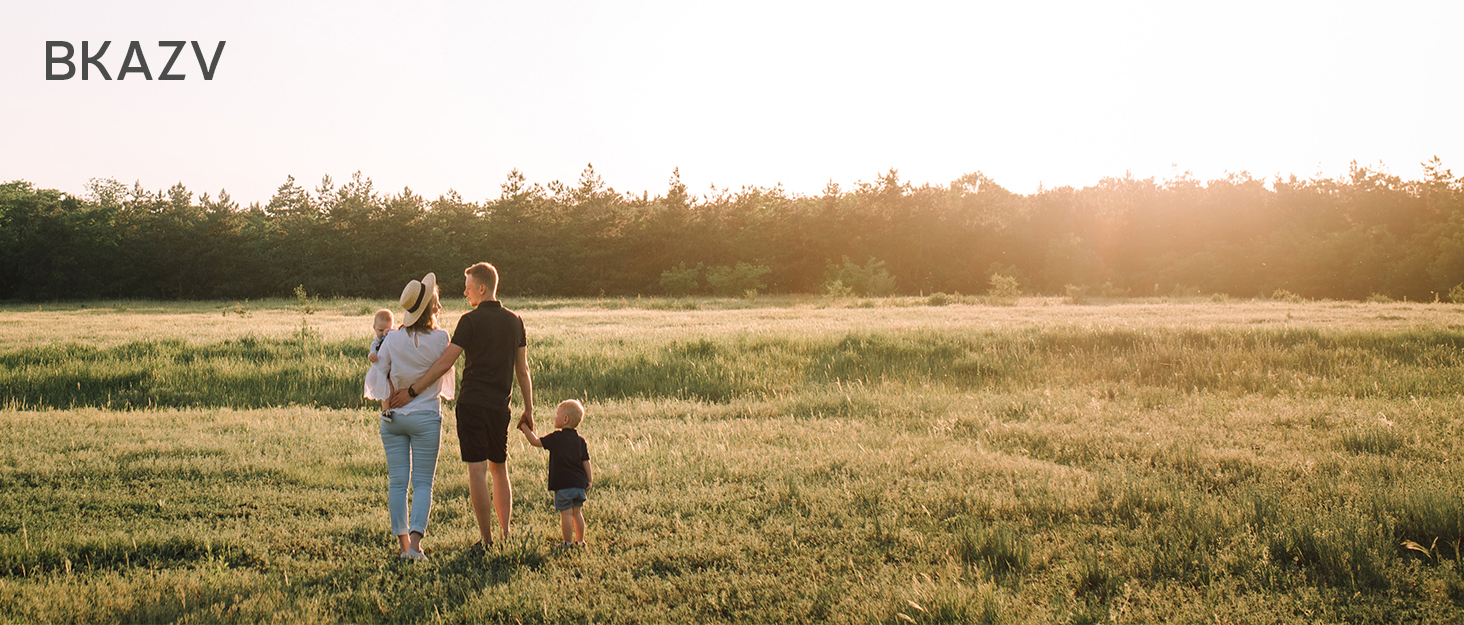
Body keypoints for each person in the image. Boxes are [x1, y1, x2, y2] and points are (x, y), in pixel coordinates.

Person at [390, 262, 532, 550]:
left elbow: (445, 362)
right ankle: (506, 536)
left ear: (482, 288)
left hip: (471, 405)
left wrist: (413, 390)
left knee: (477, 470)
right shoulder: (516, 321)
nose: (465, 293)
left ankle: (487, 540)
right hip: (499, 406)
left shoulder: (469, 321)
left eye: (468, 288)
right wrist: (528, 408)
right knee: (499, 468)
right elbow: (523, 369)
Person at [366, 274, 454, 561]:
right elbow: (444, 375)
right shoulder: (442, 338)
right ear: (431, 307)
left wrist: (388, 398)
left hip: (393, 418)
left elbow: (380, 372)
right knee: (423, 483)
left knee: (397, 483)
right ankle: (415, 548)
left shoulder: (391, 338)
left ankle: (404, 546)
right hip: (427, 417)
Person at [518, 399, 592, 548]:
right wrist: (589, 480)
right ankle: (580, 541)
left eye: (557, 414)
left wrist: (524, 427)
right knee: (577, 513)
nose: (554, 417)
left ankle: (567, 543)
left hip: (564, 485)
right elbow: (586, 462)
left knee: (566, 513)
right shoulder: (581, 441)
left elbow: (535, 441)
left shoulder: (556, 438)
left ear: (565, 419)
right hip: (579, 485)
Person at [364, 308, 394, 412]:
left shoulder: (393, 337)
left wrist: (392, 332)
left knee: (395, 389)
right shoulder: (375, 343)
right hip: (382, 371)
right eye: (380, 330)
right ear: (374, 328)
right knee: (386, 391)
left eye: (387, 329)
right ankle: (386, 411)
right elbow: (372, 352)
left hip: (393, 369)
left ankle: (396, 408)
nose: (383, 333)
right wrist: (371, 356)